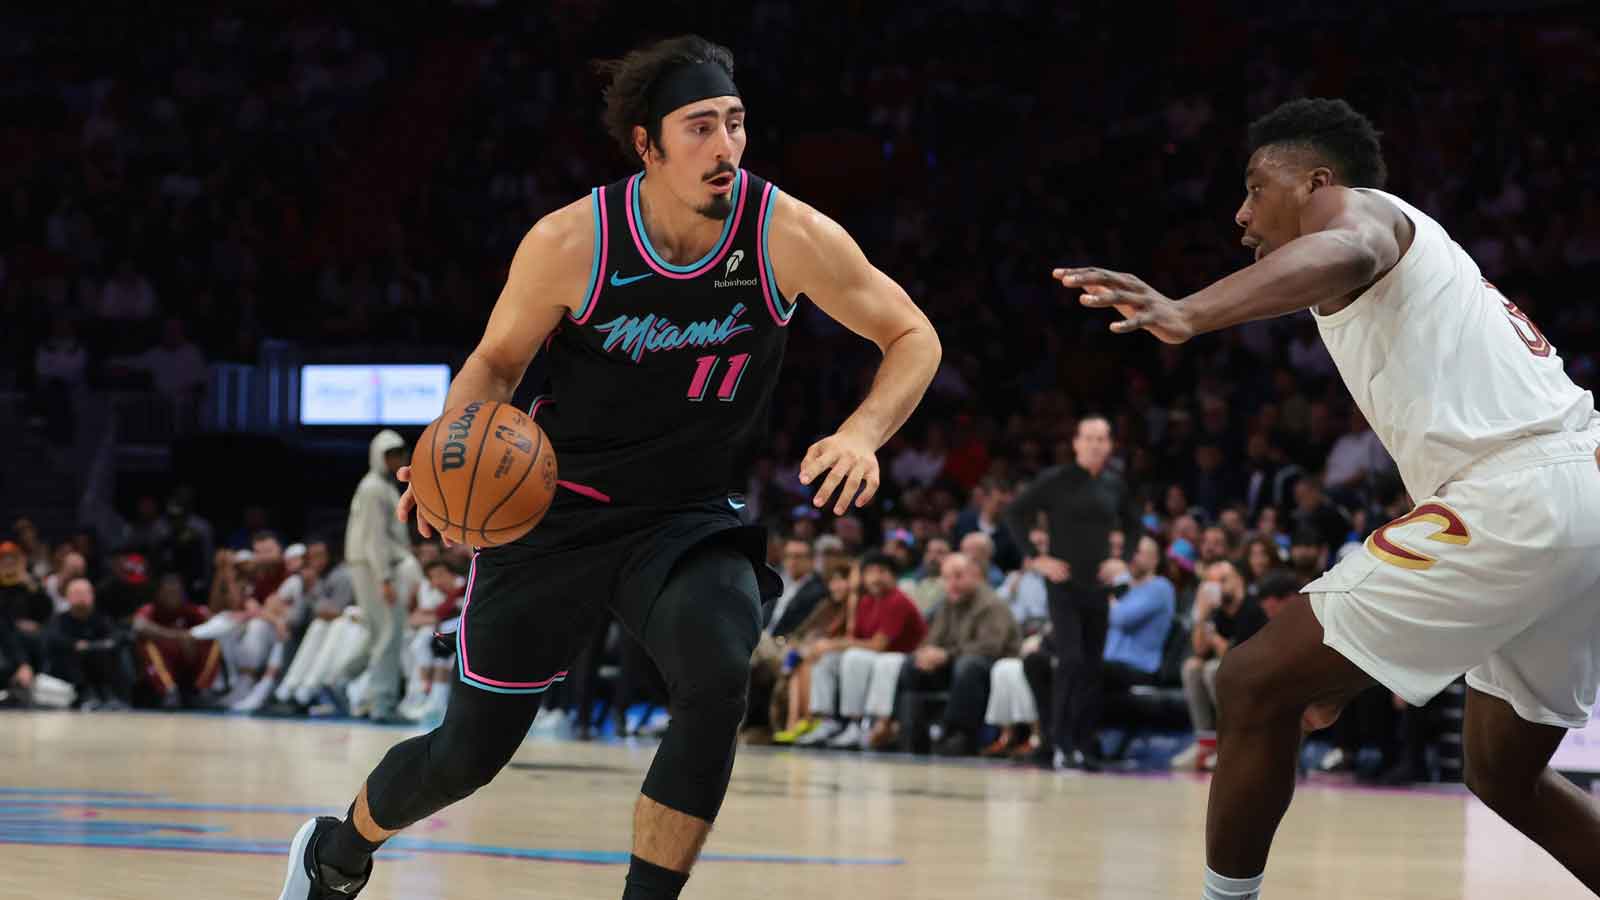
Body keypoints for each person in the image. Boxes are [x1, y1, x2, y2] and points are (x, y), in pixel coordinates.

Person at [279, 34, 939, 900]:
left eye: (736, 124)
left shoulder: (783, 233)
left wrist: (862, 434)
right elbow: (495, 364)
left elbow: (911, 334)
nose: (727, 147)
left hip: (685, 516)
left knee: (718, 672)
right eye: (700, 127)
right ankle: (337, 850)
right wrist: (449, 449)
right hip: (551, 511)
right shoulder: (571, 241)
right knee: (465, 756)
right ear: (647, 145)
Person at [1064, 97, 1600, 898]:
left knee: (1247, 682)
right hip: (1572, 492)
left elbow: (1347, 246)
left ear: (1317, 181)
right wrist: (1340, 670)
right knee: (1504, 774)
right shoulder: (1415, 270)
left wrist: (1189, 311)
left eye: (1256, 187)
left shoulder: (1365, 216)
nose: (1241, 213)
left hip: (1519, 493)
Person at [1001, 415, 1142, 771]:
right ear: (1076, 443)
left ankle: (1083, 744)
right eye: (1089, 438)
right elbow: (1015, 513)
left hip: (1099, 584)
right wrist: (1037, 559)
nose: (1095, 444)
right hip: (1063, 583)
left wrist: (1121, 561)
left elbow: (1135, 524)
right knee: (1071, 661)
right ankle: (1058, 742)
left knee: (1092, 665)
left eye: (1102, 439)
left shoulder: (1114, 485)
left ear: (1110, 446)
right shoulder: (1056, 481)